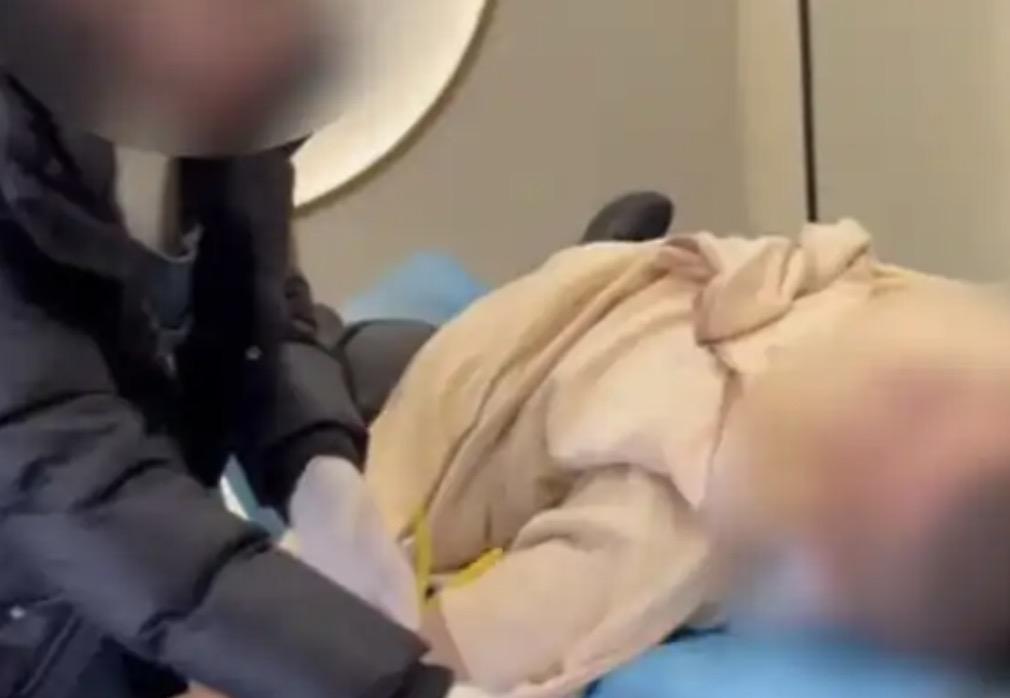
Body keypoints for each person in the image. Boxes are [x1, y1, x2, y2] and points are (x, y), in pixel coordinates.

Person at [0, 2, 481, 697]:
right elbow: (68, 477)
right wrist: (389, 685)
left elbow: (260, 302)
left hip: (132, 600)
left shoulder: (226, 92)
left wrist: (315, 463)